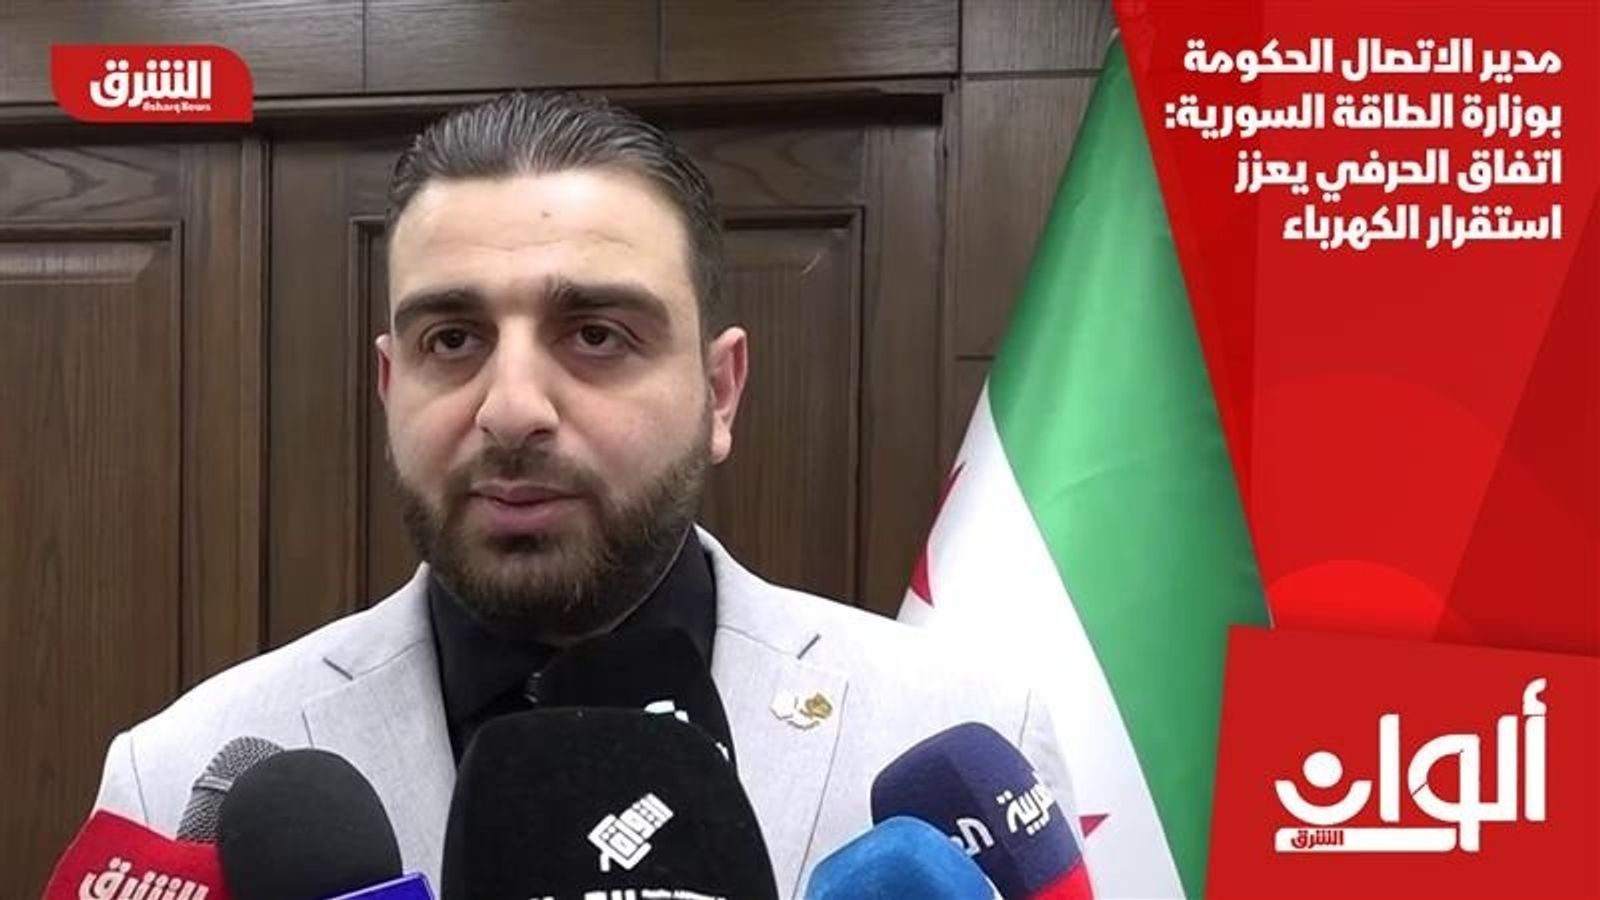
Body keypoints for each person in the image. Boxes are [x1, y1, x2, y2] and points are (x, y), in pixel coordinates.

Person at [91, 91, 1078, 896]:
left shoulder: (959, 738)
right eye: (452, 340)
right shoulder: (176, 781)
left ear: (720, 391)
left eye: (596, 335)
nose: (511, 409)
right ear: (391, 387)